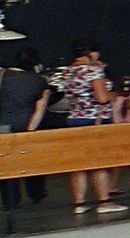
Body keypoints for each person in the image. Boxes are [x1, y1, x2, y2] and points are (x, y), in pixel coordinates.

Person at [51, 38, 124, 215]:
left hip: (74, 119)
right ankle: (104, 202)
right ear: (91, 53)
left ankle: (79, 203)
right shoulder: (92, 72)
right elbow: (102, 98)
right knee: (99, 163)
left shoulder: (68, 71)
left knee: (79, 165)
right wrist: (111, 94)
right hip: (94, 120)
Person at [0, 48, 48, 210]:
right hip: (25, 125)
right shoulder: (39, 81)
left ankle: (10, 201)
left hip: (0, 127)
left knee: (5, 165)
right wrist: (30, 130)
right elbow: (40, 109)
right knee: (31, 163)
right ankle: (36, 194)